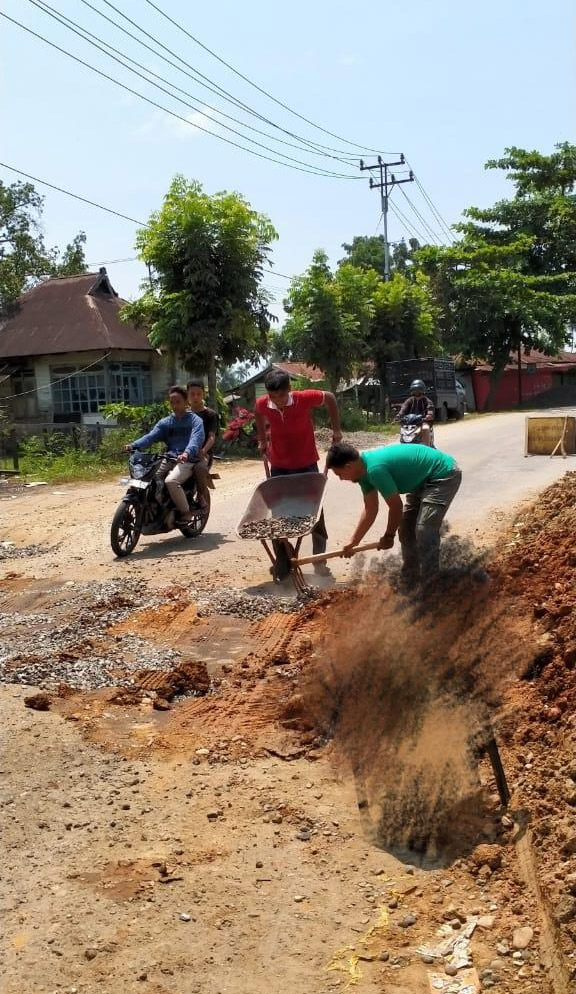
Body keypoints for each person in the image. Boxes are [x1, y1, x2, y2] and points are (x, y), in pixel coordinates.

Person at [326, 441, 462, 582]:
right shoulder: (362, 472)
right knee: (405, 529)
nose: (341, 479)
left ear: (348, 467)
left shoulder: (375, 469)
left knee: (424, 529)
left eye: (339, 474)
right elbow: (370, 509)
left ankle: (432, 583)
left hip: (443, 473)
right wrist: (353, 542)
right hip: (422, 480)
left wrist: (389, 536)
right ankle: (411, 576)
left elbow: (396, 507)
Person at [254, 370, 342, 575]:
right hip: (279, 465)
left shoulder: (303, 398)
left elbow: (330, 398)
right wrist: (262, 438)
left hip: (306, 463)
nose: (278, 402)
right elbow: (258, 413)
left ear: (290, 390)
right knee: (278, 515)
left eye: (282, 396)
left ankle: (319, 561)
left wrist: (336, 429)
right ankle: (284, 561)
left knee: (315, 513)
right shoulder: (263, 403)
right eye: (273, 397)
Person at [126, 386, 204, 524]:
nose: (174, 405)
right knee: (149, 480)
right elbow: (150, 437)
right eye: (172, 402)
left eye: (178, 402)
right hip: (169, 457)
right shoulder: (166, 422)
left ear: (186, 402)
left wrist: (187, 452)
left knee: (171, 481)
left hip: (187, 460)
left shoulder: (195, 421)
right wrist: (134, 445)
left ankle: (186, 512)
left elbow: (195, 440)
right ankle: (157, 508)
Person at [187, 379, 219, 508]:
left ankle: (201, 495)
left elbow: (212, 437)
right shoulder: (183, 414)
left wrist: (203, 451)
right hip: (183, 452)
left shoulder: (210, 414)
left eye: (198, 394)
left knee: (198, 469)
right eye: (192, 394)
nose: (195, 397)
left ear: (203, 395)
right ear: (187, 395)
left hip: (202, 454)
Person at [397, 379, 435, 446]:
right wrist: (399, 415)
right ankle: (403, 446)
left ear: (423, 391)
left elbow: (430, 409)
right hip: (410, 423)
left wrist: (429, 415)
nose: (417, 394)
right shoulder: (409, 400)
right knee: (403, 429)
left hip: (423, 422)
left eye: (419, 392)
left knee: (425, 428)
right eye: (415, 392)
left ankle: (426, 448)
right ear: (412, 392)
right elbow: (403, 408)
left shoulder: (427, 401)